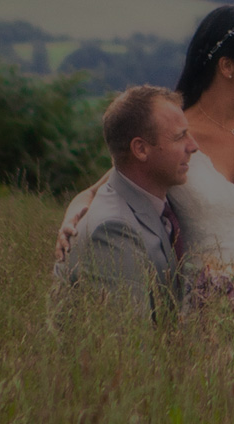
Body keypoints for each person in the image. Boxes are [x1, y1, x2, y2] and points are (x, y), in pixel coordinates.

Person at [58, 5, 234, 354]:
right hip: (202, 306)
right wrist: (72, 217)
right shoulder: (175, 135)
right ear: (227, 66)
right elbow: (108, 187)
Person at [56, 85, 199, 322]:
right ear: (140, 149)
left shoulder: (143, 200)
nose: (194, 146)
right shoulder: (112, 230)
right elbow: (126, 346)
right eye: (179, 137)